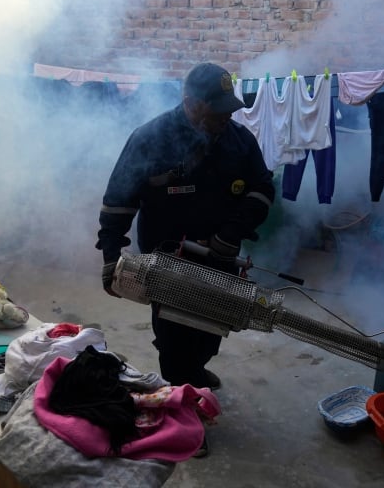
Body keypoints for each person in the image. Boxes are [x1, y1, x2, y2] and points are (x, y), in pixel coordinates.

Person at [96, 62, 274, 393]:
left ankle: (196, 367)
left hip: (220, 256)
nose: (226, 118)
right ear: (191, 104)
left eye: (229, 110)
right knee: (174, 334)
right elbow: (119, 202)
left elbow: (263, 189)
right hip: (168, 261)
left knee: (212, 328)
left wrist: (230, 234)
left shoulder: (238, 140)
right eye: (217, 111)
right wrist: (111, 257)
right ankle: (183, 408)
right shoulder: (149, 139)